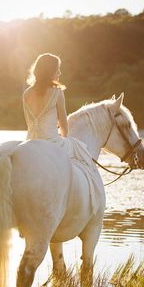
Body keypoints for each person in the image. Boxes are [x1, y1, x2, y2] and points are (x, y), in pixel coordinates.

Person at [22, 53, 103, 216]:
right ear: (50, 71)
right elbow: (64, 124)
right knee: (81, 151)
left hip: (30, 142)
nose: (60, 73)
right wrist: (65, 138)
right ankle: (92, 202)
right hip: (51, 141)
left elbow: (29, 122)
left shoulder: (26, 94)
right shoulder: (56, 92)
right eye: (57, 69)